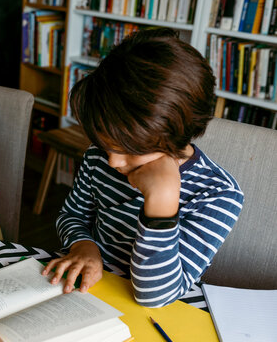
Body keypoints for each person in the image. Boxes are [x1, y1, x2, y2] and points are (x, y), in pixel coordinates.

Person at [42, 28, 244, 307]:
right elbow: (72, 215)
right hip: (88, 295)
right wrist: (84, 246)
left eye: (129, 148)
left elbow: (155, 296)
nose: (113, 161)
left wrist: (161, 202)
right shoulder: (99, 157)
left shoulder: (217, 194)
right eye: (106, 144)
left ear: (176, 131)